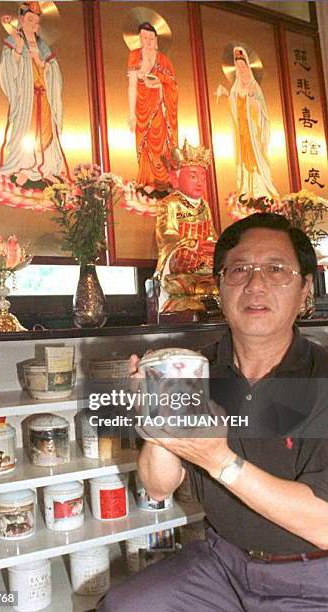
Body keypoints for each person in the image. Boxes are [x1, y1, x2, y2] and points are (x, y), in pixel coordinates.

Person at [98, 213, 328, 611]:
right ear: (219, 286)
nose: (255, 285)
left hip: (313, 576)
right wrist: (156, 421)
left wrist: (219, 461)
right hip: (222, 563)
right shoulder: (195, 369)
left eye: (276, 269)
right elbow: (157, 487)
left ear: (306, 288)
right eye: (239, 270)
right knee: (124, 604)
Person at [0, 2, 69, 189]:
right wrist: (19, 47)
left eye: (36, 22)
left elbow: (52, 68)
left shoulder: (41, 44)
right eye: (29, 20)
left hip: (44, 96)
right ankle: (24, 169)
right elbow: (9, 66)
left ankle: (46, 169)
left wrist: (41, 61)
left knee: (46, 132)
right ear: (21, 19)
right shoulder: (14, 39)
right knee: (26, 130)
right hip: (26, 97)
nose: (32, 25)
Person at [154, 139, 218, 313]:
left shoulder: (204, 205)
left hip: (202, 260)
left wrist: (212, 246)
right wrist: (192, 244)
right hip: (184, 257)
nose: (199, 182)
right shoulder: (170, 203)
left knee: (219, 259)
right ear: (175, 180)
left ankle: (207, 287)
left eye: (202, 177)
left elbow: (211, 234)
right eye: (192, 176)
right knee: (181, 274)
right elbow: (166, 234)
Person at [216, 46, 279, 201]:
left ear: (248, 67)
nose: (241, 70)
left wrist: (252, 101)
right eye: (238, 67)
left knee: (256, 159)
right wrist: (226, 94)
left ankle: (260, 191)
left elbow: (262, 111)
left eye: (243, 66)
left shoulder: (254, 86)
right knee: (243, 159)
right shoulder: (236, 88)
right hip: (242, 132)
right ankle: (246, 190)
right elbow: (234, 105)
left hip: (254, 132)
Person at [127, 21, 178, 193]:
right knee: (145, 142)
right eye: (144, 37)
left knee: (161, 142)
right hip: (142, 106)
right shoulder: (135, 56)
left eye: (151, 38)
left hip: (159, 107)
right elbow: (132, 85)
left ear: (156, 39)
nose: (148, 41)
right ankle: (147, 181)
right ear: (140, 39)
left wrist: (159, 82)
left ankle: (162, 180)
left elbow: (173, 85)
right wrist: (131, 112)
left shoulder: (163, 60)